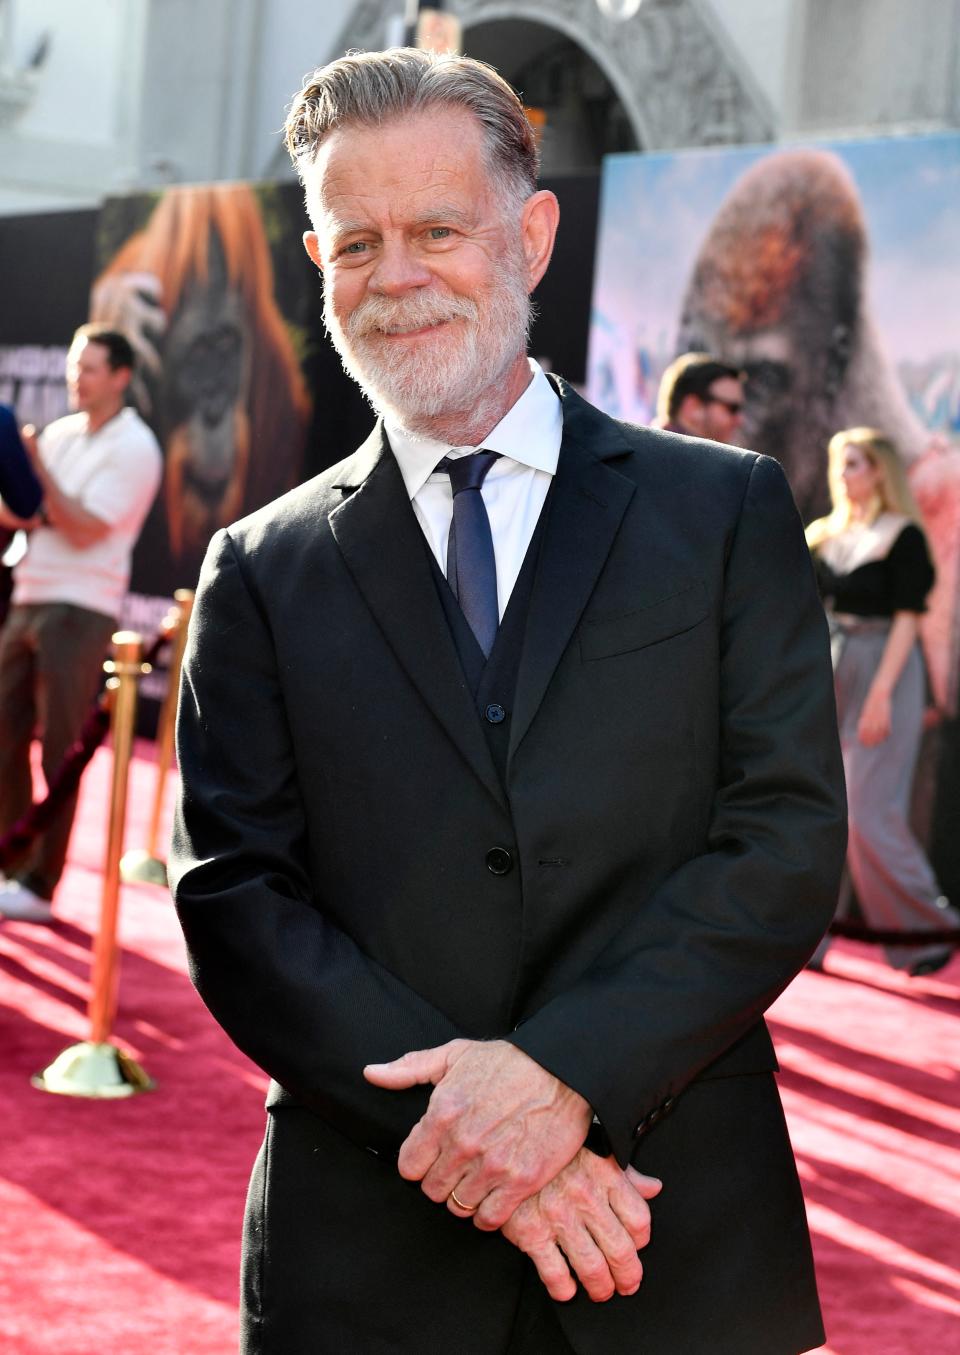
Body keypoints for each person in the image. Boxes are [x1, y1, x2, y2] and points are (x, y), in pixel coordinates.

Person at [170, 49, 846, 1355]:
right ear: (317, 264)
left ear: (531, 235)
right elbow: (239, 894)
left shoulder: (724, 507)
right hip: (367, 1247)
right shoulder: (261, 566)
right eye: (356, 242)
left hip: (673, 1224)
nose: (398, 276)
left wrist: (564, 1080)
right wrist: (477, 1131)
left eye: (438, 229)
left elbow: (783, 838)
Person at [0, 325, 162, 923]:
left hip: (83, 607)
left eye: (89, 368)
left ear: (120, 376)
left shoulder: (136, 447)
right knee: (3, 736)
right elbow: (24, 513)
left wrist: (35, 472)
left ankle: (41, 887)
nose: (76, 378)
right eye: (73, 366)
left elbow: (86, 527)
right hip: (28, 595)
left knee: (60, 751)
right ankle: (11, 862)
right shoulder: (61, 434)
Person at [806, 428, 957, 976]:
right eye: (839, 463)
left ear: (879, 471)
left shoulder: (905, 535)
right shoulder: (824, 535)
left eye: (854, 464)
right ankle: (810, 940)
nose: (843, 473)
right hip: (830, 662)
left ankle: (926, 932)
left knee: (869, 813)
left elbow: (908, 619)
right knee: (822, 811)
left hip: (885, 668)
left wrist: (881, 695)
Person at [654, 351, 745, 444]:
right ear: (692, 407)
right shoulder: (665, 454)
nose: (739, 420)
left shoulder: (651, 448)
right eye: (732, 408)